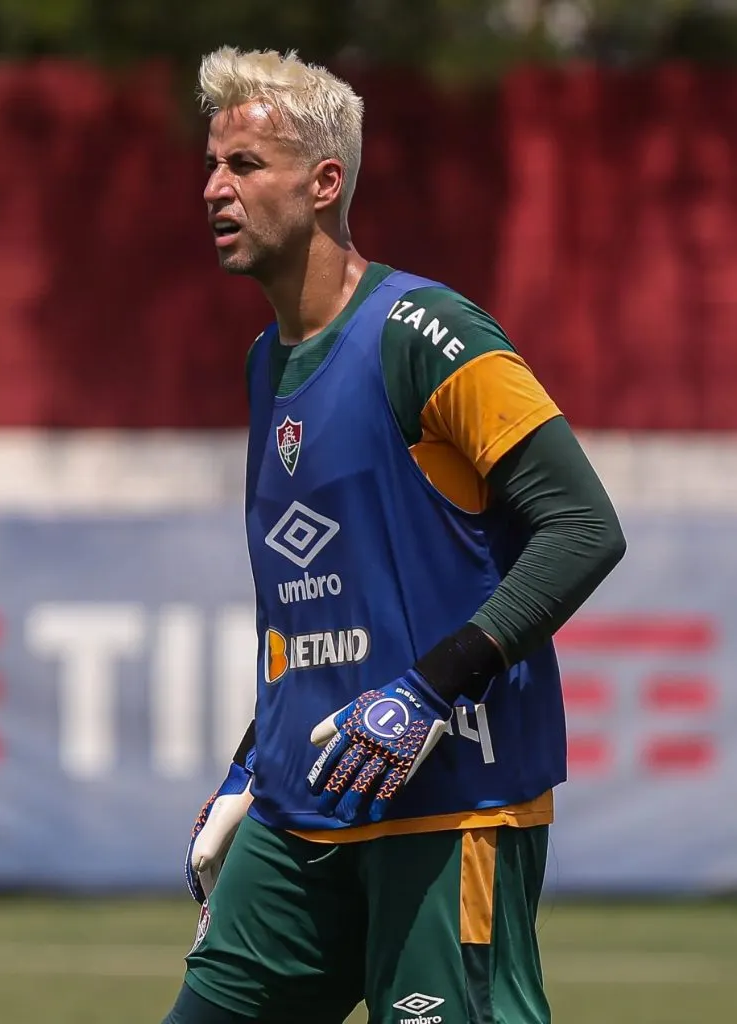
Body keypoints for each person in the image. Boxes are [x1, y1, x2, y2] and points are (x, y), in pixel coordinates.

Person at [162, 45, 626, 1024]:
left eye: (244, 165)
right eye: (211, 164)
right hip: (301, 815)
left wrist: (429, 688)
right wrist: (256, 762)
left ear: (326, 182)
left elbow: (582, 526)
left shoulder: (425, 331)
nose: (213, 188)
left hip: (451, 806)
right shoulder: (265, 367)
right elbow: (314, 607)